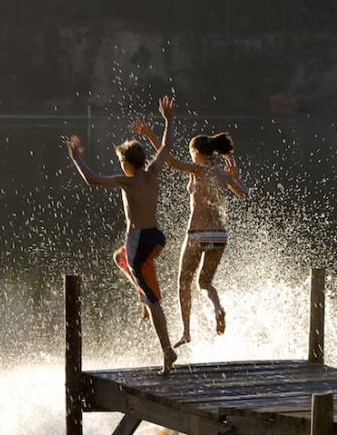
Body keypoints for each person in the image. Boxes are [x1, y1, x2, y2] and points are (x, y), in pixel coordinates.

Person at [66, 96, 179, 375]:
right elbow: (166, 146)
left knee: (154, 302)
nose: (119, 165)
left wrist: (77, 159)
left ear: (127, 164)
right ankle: (143, 294)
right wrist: (169, 119)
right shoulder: (152, 172)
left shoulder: (126, 181)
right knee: (119, 257)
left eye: (119, 161)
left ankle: (167, 352)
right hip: (155, 237)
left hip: (139, 243)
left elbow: (92, 179)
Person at [130, 119, 248, 346]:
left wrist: (150, 134)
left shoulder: (198, 169)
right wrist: (236, 177)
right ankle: (217, 306)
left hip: (197, 233)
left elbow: (171, 161)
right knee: (205, 283)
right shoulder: (223, 175)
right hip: (219, 236)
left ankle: (186, 332)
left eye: (191, 153)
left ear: (195, 152)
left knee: (184, 282)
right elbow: (244, 193)